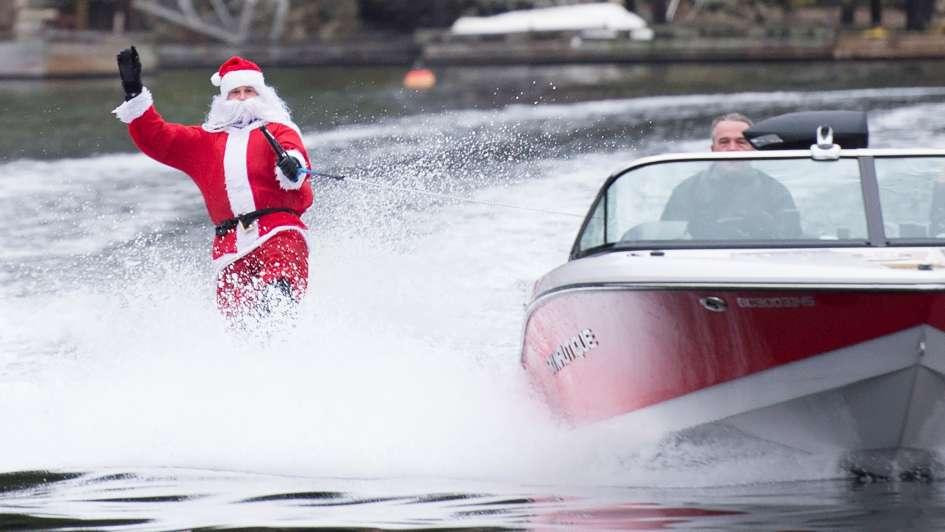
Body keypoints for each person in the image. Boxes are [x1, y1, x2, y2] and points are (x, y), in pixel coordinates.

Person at [112, 47, 313, 323]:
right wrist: (134, 91)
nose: (242, 99)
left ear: (262, 94)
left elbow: (295, 158)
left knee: (277, 301)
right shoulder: (205, 141)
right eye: (235, 92)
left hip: (278, 234)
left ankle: (287, 342)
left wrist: (291, 165)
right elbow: (158, 137)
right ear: (224, 97)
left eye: (249, 91)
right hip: (230, 247)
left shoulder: (278, 130)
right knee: (238, 322)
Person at [660, 113, 803, 239]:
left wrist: (766, 225)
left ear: (753, 149)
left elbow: (792, 239)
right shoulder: (686, 191)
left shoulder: (775, 191)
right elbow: (668, 240)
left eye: (741, 142)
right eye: (724, 142)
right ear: (713, 149)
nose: (733, 148)